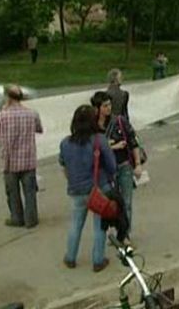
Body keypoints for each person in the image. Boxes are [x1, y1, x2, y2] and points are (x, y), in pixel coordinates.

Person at [60, 105, 117, 272]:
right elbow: (112, 166)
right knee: (100, 226)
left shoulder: (65, 143)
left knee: (76, 224)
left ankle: (70, 257)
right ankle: (98, 260)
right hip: (98, 189)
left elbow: (63, 164)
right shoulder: (99, 140)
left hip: (76, 189)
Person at [0, 85, 43, 228]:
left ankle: (17, 218)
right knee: (30, 192)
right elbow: (39, 128)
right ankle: (31, 219)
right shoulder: (32, 113)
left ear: (7, 97)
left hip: (9, 161)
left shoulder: (2, 115)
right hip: (28, 160)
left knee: (13, 193)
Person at [91, 91, 143, 233]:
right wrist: (111, 146)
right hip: (106, 171)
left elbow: (133, 141)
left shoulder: (119, 121)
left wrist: (138, 164)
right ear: (97, 108)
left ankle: (125, 234)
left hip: (124, 165)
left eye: (109, 105)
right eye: (105, 105)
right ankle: (113, 231)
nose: (108, 108)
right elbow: (91, 149)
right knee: (110, 204)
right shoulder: (92, 127)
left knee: (126, 202)